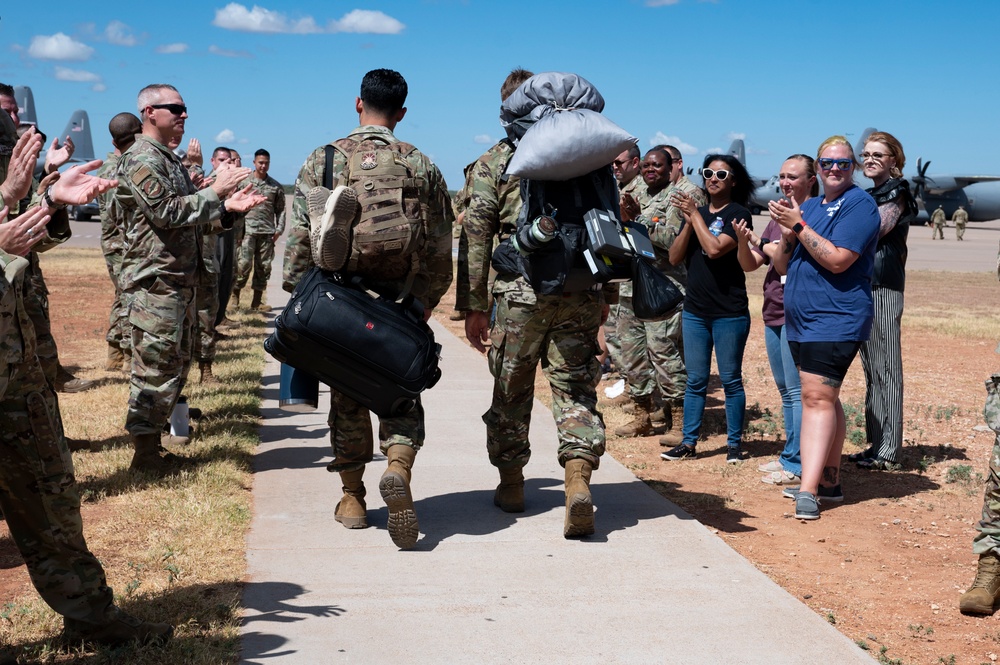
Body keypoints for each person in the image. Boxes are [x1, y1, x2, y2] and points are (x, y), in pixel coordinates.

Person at [0, 110, 174, 650]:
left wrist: (39, 203)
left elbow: (15, 244)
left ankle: (96, 622)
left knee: (52, 504)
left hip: (16, 374)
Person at [283, 69, 454, 550]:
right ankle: (398, 466)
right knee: (400, 391)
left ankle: (353, 497)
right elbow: (442, 245)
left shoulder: (326, 158)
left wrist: (301, 301)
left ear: (358, 104)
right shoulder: (419, 164)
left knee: (348, 394)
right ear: (401, 112)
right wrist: (423, 301)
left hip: (340, 296)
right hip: (397, 299)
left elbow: (299, 238)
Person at [462, 70, 617, 538]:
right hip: (579, 291)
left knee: (511, 390)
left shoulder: (496, 160)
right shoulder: (586, 157)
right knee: (575, 389)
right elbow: (606, 224)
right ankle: (577, 481)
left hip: (519, 294)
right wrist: (604, 293)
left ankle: (511, 484)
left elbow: (475, 231)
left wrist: (471, 302)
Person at [115, 83, 262, 475]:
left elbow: (191, 222)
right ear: (149, 112)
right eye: (175, 108)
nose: (183, 115)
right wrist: (216, 191)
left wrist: (229, 209)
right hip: (156, 282)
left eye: (184, 109)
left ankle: (155, 449)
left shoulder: (170, 160)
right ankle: (144, 456)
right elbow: (167, 213)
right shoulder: (143, 158)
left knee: (173, 365)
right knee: (154, 368)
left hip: (178, 280)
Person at [769, 136, 880, 520]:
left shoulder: (861, 206)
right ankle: (830, 482)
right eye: (827, 163)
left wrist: (797, 224)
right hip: (803, 319)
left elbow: (837, 260)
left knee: (816, 399)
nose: (834, 170)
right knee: (824, 398)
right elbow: (782, 266)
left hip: (835, 318)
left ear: (855, 169)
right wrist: (787, 234)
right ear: (818, 167)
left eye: (843, 164)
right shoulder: (813, 206)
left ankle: (808, 490)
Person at [0, 82, 95, 395]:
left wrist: (51, 193)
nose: (17, 118)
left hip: (21, 274)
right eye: (7, 110)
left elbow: (26, 225)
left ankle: (51, 433)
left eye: (15, 110)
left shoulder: (10, 159)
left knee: (33, 351)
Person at [662, 154, 754, 464]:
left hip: (729, 312)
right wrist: (690, 223)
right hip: (695, 311)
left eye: (721, 174)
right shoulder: (697, 214)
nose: (713, 178)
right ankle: (688, 443)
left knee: (730, 380)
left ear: (733, 181)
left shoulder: (739, 213)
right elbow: (674, 257)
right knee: (696, 380)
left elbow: (715, 249)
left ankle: (733, 446)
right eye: (708, 173)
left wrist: (695, 217)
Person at [734, 154, 818, 485]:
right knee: (786, 390)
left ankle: (798, 464)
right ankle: (790, 454)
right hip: (772, 308)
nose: (785, 182)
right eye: (782, 176)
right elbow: (750, 264)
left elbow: (783, 261)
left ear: (811, 180)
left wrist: (763, 243)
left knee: (798, 392)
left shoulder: (811, 214)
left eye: (793, 177)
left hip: (796, 310)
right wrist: (747, 242)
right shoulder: (778, 213)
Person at [616, 147, 704, 441]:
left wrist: (638, 220)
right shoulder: (635, 195)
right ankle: (643, 416)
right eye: (646, 166)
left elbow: (672, 241)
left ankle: (679, 421)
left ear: (670, 170)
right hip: (631, 287)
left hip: (663, 287)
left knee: (664, 355)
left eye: (657, 166)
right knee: (633, 357)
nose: (650, 170)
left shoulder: (679, 199)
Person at [849, 132, 917, 471]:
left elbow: (875, 229)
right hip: (863, 286)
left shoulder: (897, 192)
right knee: (872, 369)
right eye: (866, 153)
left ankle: (889, 451)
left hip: (884, 289)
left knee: (887, 368)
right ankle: (877, 443)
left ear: (894, 160)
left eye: (878, 154)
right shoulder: (868, 194)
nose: (870, 158)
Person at [96, 112, 142, 374]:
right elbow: (122, 216)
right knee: (128, 298)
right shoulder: (121, 168)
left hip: (114, 241)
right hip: (121, 243)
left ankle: (114, 352)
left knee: (121, 296)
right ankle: (126, 356)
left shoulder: (109, 166)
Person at [234, 148, 285, 312]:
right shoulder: (244, 184)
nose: (263, 166)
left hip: (267, 233)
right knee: (243, 265)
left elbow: (281, 210)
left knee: (263, 267)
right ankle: (234, 299)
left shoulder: (275, 187)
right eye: (261, 163)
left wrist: (279, 230)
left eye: (266, 163)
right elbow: (235, 208)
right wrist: (237, 233)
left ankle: (256, 302)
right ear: (254, 163)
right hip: (246, 232)